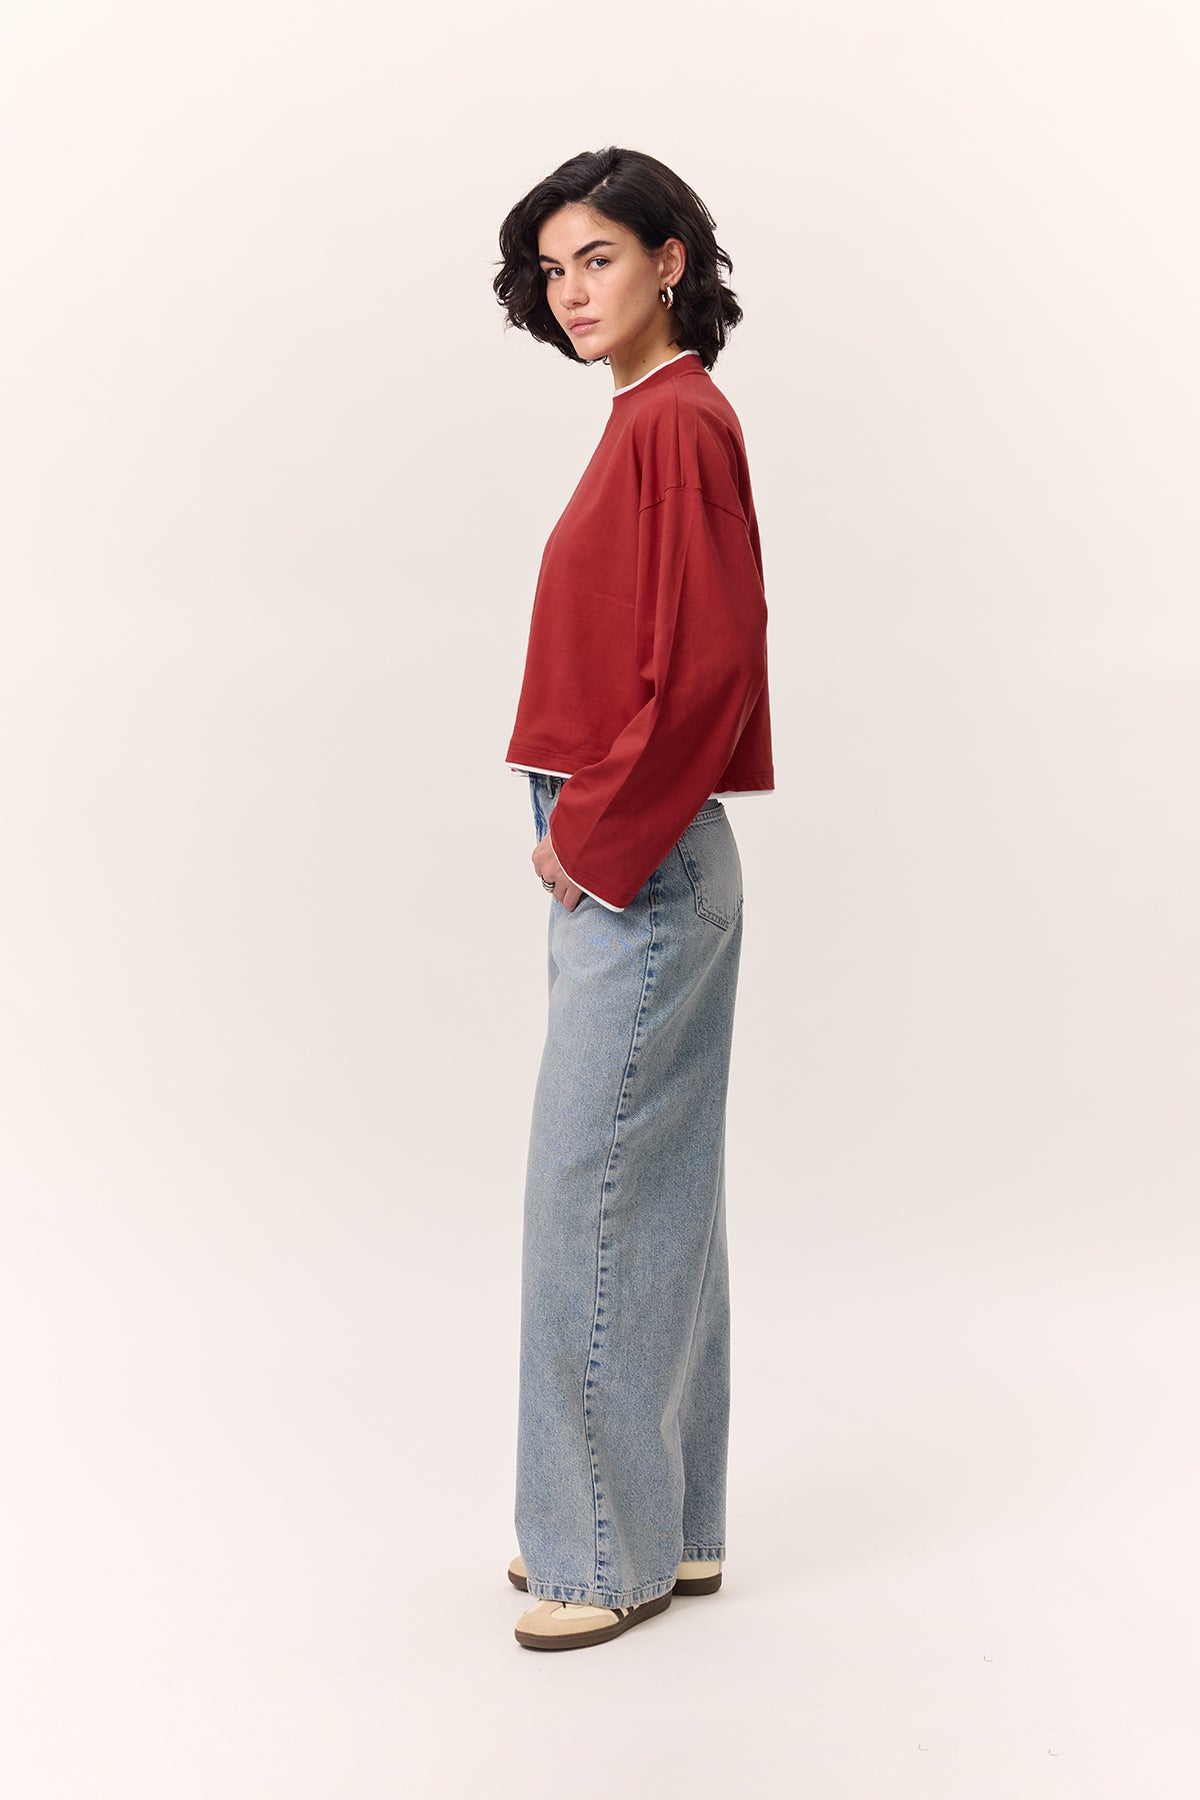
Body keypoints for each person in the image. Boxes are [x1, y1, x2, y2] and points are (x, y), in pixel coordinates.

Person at [492, 146, 774, 1652]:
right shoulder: (650, 418)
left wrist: (591, 835)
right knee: (649, 1197)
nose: (572, 290)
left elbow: (709, 664)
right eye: (553, 269)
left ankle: (601, 1551)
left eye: (597, 257)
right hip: (636, 851)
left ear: (671, 260)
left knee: (588, 1193)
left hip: (638, 861)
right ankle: (669, 1525)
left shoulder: (678, 422)